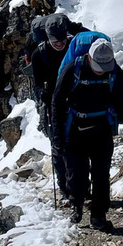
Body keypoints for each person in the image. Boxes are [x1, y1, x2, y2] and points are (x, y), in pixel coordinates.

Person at [52, 36, 123, 231]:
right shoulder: (73, 69)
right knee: (76, 173)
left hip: (101, 129)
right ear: (89, 56)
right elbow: (57, 103)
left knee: (101, 174)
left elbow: (120, 103)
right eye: (98, 65)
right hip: (74, 129)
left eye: (105, 66)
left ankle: (98, 215)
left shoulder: (114, 72)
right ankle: (76, 205)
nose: (101, 69)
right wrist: (57, 136)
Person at [30, 14, 76, 199]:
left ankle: (79, 185)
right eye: (55, 40)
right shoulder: (38, 55)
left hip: (75, 100)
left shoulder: (74, 47)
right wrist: (43, 93)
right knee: (58, 145)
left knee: (78, 143)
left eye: (62, 39)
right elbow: (38, 83)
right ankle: (64, 186)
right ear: (47, 37)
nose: (59, 43)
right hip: (53, 104)